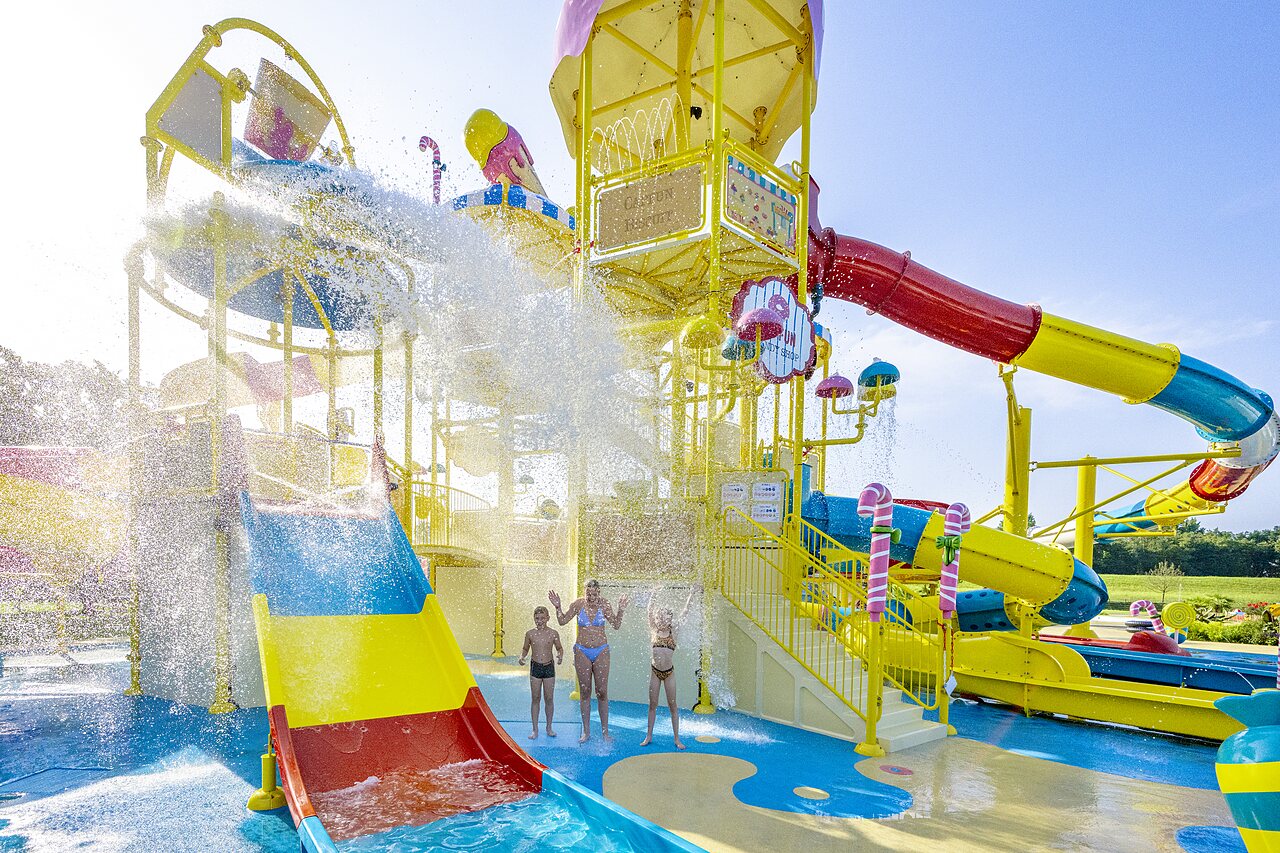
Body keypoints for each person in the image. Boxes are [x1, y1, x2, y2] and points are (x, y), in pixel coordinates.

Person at [549, 579, 628, 742]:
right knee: (585, 692)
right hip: (582, 651)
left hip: (601, 651)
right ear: (584, 592)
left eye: (594, 594)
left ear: (599, 592)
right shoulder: (578, 604)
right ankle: (586, 732)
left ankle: (605, 732)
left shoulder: (604, 604)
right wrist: (557, 607)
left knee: (602, 692)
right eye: (588, 594)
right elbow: (562, 621)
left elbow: (616, 624)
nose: (591, 597)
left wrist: (621, 610)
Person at [640, 586, 697, 749]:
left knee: (673, 705)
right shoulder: (654, 630)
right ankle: (648, 735)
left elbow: (685, 612)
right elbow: (649, 611)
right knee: (653, 704)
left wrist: (691, 594)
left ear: (670, 620)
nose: (661, 621)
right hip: (655, 672)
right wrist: (653, 594)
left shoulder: (674, 632)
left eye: (664, 618)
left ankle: (677, 738)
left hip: (669, 673)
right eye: (659, 618)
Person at [518, 605, 563, 740]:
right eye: (537, 618)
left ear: (548, 618)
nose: (540, 621)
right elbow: (525, 649)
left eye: (543, 618)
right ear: (534, 619)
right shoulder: (530, 634)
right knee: (535, 698)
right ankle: (535, 729)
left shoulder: (553, 633)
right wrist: (522, 657)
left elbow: (560, 648)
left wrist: (560, 656)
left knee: (549, 698)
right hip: (535, 668)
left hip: (549, 667)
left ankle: (549, 728)